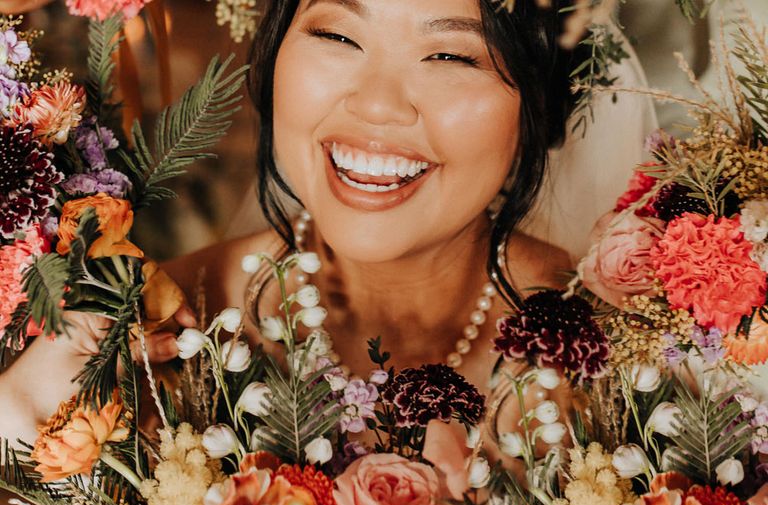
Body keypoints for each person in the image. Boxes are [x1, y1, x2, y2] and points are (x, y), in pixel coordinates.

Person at [0, 0, 619, 445]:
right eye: (339, 36)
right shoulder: (156, 333)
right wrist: (22, 415)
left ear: (541, 101)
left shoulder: (637, 353)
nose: (376, 104)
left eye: (451, 54)